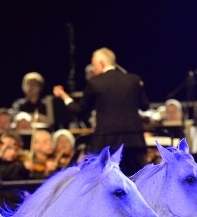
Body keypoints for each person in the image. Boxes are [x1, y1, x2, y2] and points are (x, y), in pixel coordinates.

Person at [53, 47, 150, 176]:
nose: (93, 69)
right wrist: (139, 87)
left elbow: (79, 110)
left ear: (102, 63)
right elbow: (145, 107)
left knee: (107, 182)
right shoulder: (133, 80)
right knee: (139, 180)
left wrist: (63, 96)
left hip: (107, 143)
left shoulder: (95, 83)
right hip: (134, 140)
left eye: (94, 65)